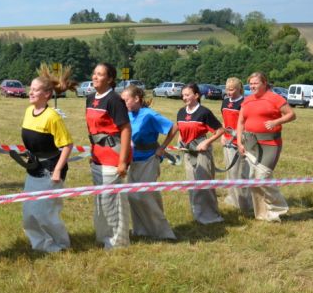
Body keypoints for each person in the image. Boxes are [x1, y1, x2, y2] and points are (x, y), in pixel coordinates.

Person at [18, 75, 74, 252]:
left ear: (47, 94)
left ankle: (60, 245)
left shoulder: (52, 117)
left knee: (45, 212)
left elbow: (67, 145)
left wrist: (57, 170)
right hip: (34, 168)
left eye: (35, 89)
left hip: (50, 169)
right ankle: (40, 244)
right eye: (31, 88)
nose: (30, 92)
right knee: (29, 212)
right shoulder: (28, 111)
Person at [161, 83, 225, 224]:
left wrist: (207, 142)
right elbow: (177, 129)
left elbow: (220, 130)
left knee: (204, 184)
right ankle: (198, 214)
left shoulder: (204, 112)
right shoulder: (181, 112)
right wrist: (169, 144)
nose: (184, 98)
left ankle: (212, 216)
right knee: (192, 183)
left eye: (187, 95)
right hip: (187, 151)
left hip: (201, 150)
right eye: (183, 95)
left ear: (196, 95)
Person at [236, 72, 296, 222]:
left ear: (264, 83)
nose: (252, 86)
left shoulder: (275, 98)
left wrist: (276, 122)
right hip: (250, 143)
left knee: (263, 176)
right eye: (250, 83)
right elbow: (241, 122)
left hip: (270, 143)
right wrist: (239, 142)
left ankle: (278, 210)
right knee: (253, 178)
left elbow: (291, 114)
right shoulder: (247, 101)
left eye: (255, 83)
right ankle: (262, 214)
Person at [120, 85, 177, 240]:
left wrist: (162, 148)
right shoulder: (127, 115)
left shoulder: (149, 115)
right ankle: (141, 230)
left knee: (145, 195)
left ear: (137, 99)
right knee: (132, 196)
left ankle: (163, 232)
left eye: (126, 100)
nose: (123, 103)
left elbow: (173, 127)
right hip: (133, 160)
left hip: (149, 159)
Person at [86, 62, 132, 249]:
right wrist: (92, 150)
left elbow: (126, 129)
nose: (95, 77)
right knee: (101, 200)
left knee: (112, 200)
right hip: (98, 157)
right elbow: (93, 130)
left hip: (113, 157)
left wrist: (122, 161)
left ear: (110, 79)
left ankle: (118, 241)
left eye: (100, 74)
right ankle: (103, 236)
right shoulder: (89, 98)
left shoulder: (115, 100)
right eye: (94, 73)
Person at [220, 77, 253, 215]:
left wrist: (240, 140)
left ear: (239, 89)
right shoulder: (225, 101)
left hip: (239, 142)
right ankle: (233, 199)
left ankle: (246, 203)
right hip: (227, 141)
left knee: (240, 174)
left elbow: (246, 123)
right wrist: (222, 135)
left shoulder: (244, 103)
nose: (229, 92)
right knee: (230, 173)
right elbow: (223, 120)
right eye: (227, 89)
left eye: (232, 89)